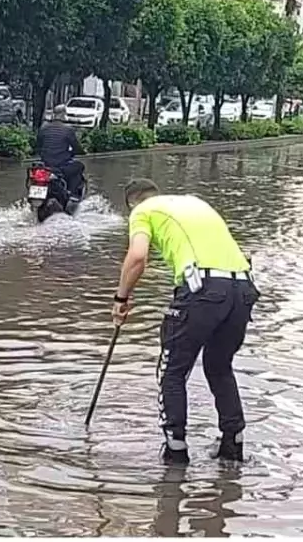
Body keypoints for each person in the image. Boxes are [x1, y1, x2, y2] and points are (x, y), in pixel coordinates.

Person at [112, 178, 259, 465]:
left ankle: (175, 451)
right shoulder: (196, 204)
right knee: (219, 367)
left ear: (132, 202)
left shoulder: (143, 211)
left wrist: (121, 299)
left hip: (202, 290)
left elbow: (138, 257)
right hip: (242, 289)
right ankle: (233, 444)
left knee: (172, 370)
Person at [35, 104, 85, 198]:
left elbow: (38, 146)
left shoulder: (43, 128)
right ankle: (72, 195)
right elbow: (76, 148)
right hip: (60, 165)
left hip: (45, 165)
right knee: (79, 166)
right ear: (63, 114)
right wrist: (79, 152)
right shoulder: (68, 129)